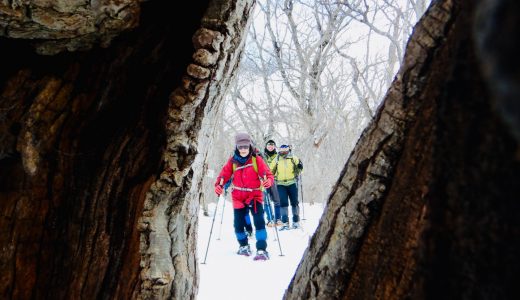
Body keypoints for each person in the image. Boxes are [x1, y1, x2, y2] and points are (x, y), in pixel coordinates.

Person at [214, 132, 274, 260]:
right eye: (240, 147)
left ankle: (262, 249)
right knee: (238, 224)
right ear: (236, 147)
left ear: (250, 146)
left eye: (245, 147)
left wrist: (268, 181)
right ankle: (243, 246)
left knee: (259, 222)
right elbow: (223, 176)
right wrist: (219, 186)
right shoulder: (232, 161)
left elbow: (268, 175)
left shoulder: (256, 159)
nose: (243, 150)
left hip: (255, 194)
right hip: (238, 196)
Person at [270, 144, 303, 230]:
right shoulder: (276, 159)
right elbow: (270, 170)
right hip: (280, 184)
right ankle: (285, 223)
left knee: (294, 202)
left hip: (292, 183)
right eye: (281, 150)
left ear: (288, 150)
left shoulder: (293, 158)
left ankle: (296, 222)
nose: (283, 151)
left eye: (285, 149)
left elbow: (300, 168)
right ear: (279, 150)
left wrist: (300, 167)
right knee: (283, 203)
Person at [263, 139, 282, 226]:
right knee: (266, 200)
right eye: (269, 145)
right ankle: (270, 219)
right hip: (264, 181)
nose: (270, 147)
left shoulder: (278, 156)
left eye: (272, 145)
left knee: (277, 200)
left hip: (274, 180)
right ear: (266, 146)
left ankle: (278, 219)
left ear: (274, 147)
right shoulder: (262, 156)